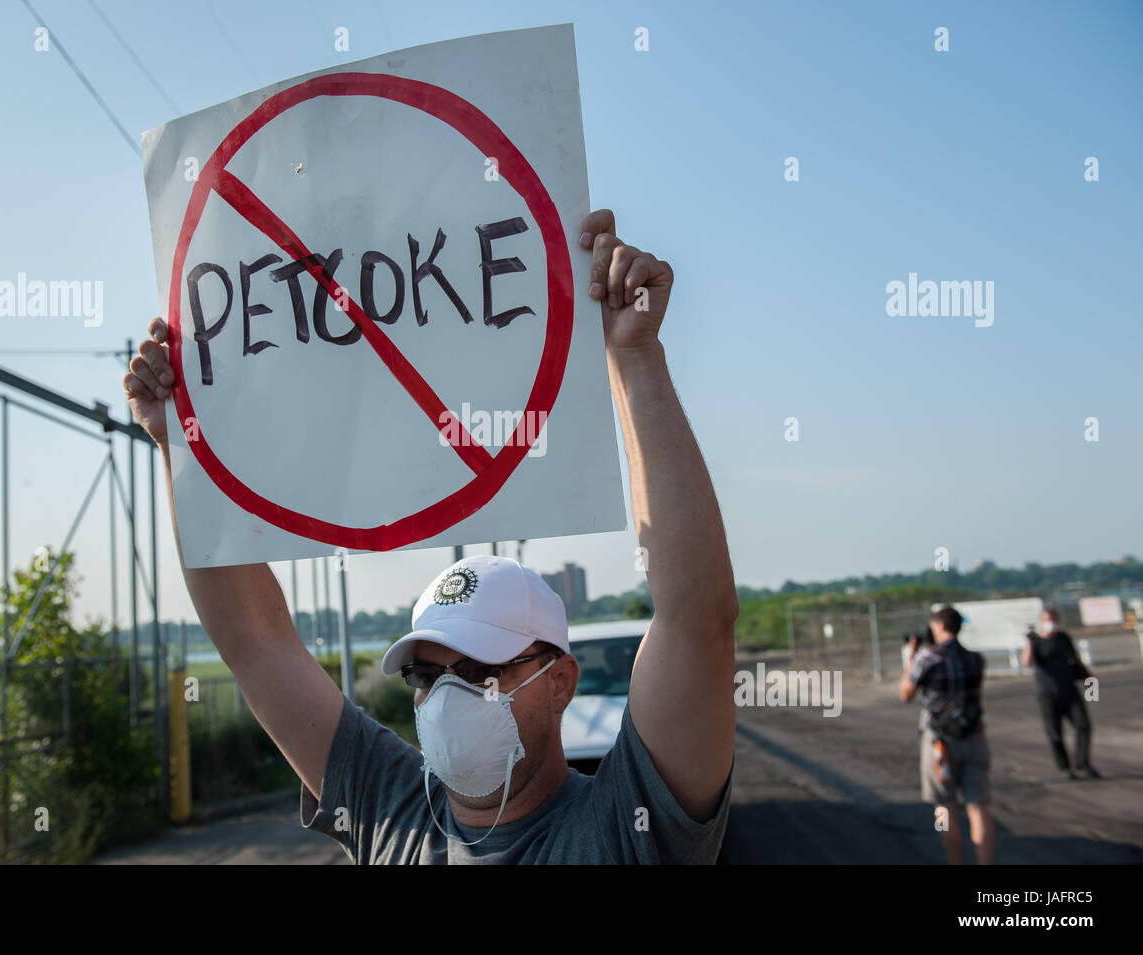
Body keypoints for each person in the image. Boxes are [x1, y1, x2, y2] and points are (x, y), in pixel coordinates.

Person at [123, 208, 739, 864]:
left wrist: (635, 356)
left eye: (478, 671)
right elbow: (254, 640)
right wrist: (180, 442)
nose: (445, 699)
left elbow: (696, 620)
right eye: (426, 675)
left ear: (559, 682)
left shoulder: (621, 830)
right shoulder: (389, 806)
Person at [899, 606, 994, 864]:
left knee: (944, 809)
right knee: (979, 807)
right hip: (974, 737)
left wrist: (911, 656)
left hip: (940, 742)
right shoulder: (976, 659)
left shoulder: (928, 659)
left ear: (940, 626)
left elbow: (906, 693)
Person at [1022, 608, 1099, 780]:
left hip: (1070, 690)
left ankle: (1083, 762)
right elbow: (1027, 662)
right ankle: (1065, 768)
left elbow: (1075, 659)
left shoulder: (1063, 638)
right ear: (1041, 621)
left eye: (1053, 619)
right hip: (1047, 694)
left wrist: (1089, 680)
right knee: (1055, 733)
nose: (1050, 622)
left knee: (1084, 725)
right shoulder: (1036, 641)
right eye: (1047, 619)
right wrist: (1030, 642)